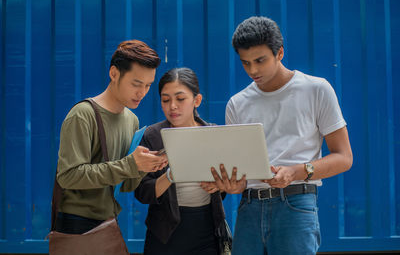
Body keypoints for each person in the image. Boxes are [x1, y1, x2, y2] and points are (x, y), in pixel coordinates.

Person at [207, 16, 353, 255]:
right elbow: (241, 176)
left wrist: (295, 172)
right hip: (249, 208)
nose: (252, 70)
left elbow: (344, 157)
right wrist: (232, 186)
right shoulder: (237, 103)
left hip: (296, 205)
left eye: (260, 60)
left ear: (280, 53)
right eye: (245, 63)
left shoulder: (316, 89)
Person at [55, 40, 168, 234]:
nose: (142, 92)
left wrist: (144, 167)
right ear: (114, 74)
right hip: (76, 226)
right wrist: (131, 165)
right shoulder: (83, 115)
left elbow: (125, 185)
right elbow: (68, 176)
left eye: (148, 85)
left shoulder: (131, 120)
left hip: (109, 223)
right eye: (136, 84)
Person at [131, 68, 225, 255]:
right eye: (166, 100)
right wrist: (171, 175)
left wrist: (218, 186)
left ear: (196, 100)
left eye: (180, 99)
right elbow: (142, 192)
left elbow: (224, 188)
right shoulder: (152, 136)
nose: (172, 106)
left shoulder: (213, 133)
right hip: (164, 234)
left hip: (207, 231)